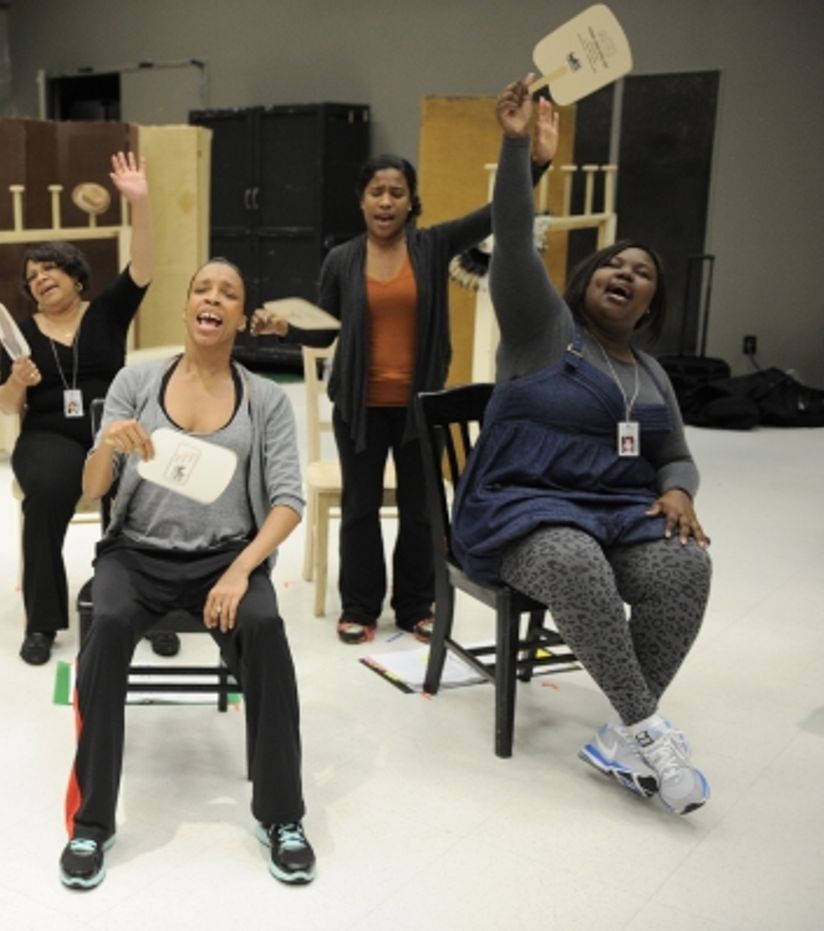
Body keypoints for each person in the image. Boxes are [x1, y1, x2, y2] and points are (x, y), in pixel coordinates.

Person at [451, 76, 712, 816]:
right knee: (571, 557)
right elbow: (508, 232)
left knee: (686, 565)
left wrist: (679, 490)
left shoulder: (652, 372)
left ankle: (623, 737)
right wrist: (515, 147)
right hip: (520, 511)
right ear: (585, 279)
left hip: (615, 512)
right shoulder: (542, 328)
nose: (623, 273)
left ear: (651, 305)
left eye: (642, 274)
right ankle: (646, 727)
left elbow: (675, 454)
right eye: (612, 264)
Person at [60, 259, 314, 889]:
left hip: (227, 558)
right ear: (186, 307)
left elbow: (288, 501)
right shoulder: (136, 382)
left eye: (229, 292)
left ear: (239, 316)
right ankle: (92, 824)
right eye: (203, 288)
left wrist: (240, 572)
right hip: (135, 554)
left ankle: (282, 817)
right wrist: (107, 445)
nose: (214, 298)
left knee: (266, 632)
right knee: (109, 625)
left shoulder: (267, 398)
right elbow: (92, 491)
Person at [252, 122, 557, 645]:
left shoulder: (434, 246)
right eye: (377, 192)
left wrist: (535, 165)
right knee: (360, 509)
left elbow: (496, 214)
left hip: (419, 406)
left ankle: (416, 603)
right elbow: (326, 324)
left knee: (420, 512)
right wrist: (285, 327)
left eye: (397, 192)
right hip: (359, 406)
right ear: (361, 201)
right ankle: (360, 606)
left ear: (412, 201)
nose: (386, 201)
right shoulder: (342, 259)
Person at [0, 152, 177, 665]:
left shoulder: (107, 314)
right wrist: (16, 381)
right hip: (48, 436)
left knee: (146, 495)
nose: (40, 279)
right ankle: (43, 623)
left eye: (51, 269)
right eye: (32, 276)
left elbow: (142, 267)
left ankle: (151, 607)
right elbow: (4, 404)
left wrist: (139, 202)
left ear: (76, 277)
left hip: (113, 427)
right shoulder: (19, 333)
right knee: (48, 493)